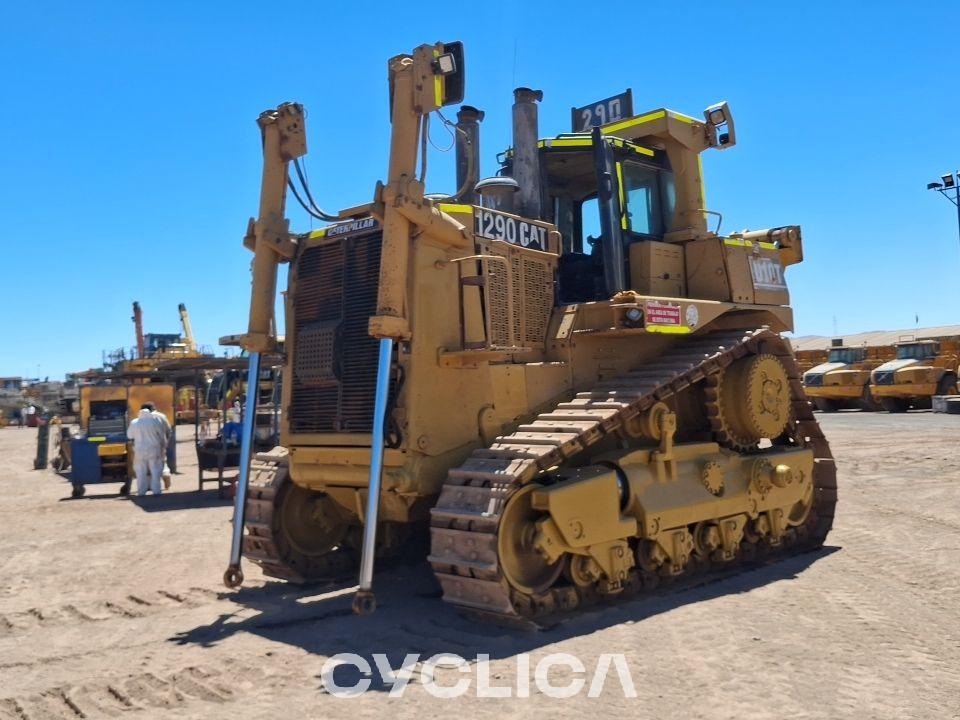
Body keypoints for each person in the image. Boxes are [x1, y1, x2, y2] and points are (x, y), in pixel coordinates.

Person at [126, 403, 167, 496]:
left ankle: (141, 492)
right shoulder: (156, 421)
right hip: (154, 449)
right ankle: (156, 491)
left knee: (140, 471)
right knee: (155, 470)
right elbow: (161, 435)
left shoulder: (135, 422)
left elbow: (129, 435)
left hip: (139, 450)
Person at [149, 405, 173, 489]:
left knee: (150, 463)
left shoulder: (144, 418)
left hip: (149, 444)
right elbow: (169, 430)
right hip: (161, 443)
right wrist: (166, 441)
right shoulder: (162, 416)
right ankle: (165, 474)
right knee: (162, 462)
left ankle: (150, 484)